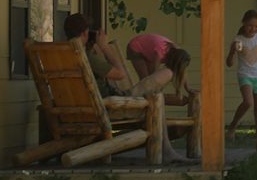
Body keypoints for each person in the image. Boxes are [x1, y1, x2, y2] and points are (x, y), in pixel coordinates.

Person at [63, 14, 191, 163]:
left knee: (157, 96)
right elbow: (120, 74)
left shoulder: (64, 54)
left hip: (78, 107)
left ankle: (168, 150)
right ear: (85, 33)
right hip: (108, 105)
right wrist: (104, 47)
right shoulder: (86, 57)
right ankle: (167, 151)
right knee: (165, 77)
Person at [225, 9, 257, 150]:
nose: (253, 29)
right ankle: (233, 126)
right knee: (248, 102)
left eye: (256, 26)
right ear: (244, 24)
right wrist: (232, 51)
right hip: (245, 75)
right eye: (250, 25)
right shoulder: (238, 40)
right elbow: (229, 63)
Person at [126, 32, 193, 98]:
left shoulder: (178, 51)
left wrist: (187, 88)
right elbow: (154, 74)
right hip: (135, 47)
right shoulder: (160, 52)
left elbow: (182, 71)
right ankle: (132, 95)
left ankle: (148, 98)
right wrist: (157, 91)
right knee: (145, 78)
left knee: (152, 83)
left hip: (149, 50)